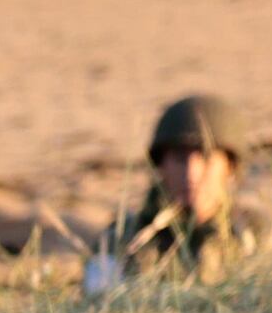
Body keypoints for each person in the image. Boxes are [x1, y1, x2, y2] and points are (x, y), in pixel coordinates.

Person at [94, 92, 251, 286]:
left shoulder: (257, 236)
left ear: (230, 166)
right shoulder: (122, 241)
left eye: (206, 158)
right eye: (179, 159)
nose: (191, 174)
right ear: (161, 166)